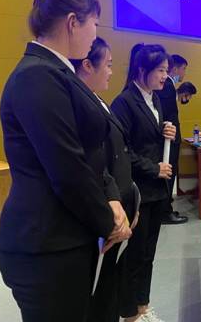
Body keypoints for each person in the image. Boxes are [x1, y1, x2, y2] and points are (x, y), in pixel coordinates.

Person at [0, 0, 131, 322]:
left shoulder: (57, 72)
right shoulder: (37, 76)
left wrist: (112, 197)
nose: (95, 33)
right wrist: (109, 221)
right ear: (73, 22)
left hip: (66, 237)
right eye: (94, 24)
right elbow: (67, 168)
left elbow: (89, 152)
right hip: (46, 244)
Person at [72, 37, 140, 322]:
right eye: (108, 65)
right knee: (99, 294)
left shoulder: (99, 101)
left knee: (111, 284)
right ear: (88, 65)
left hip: (120, 206)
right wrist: (111, 215)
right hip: (105, 215)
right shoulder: (78, 105)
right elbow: (94, 166)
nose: (112, 72)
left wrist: (130, 203)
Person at [111, 44, 176, 322]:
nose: (165, 76)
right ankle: (129, 314)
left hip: (157, 190)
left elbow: (147, 137)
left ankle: (142, 307)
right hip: (138, 191)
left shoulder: (155, 98)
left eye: (166, 70)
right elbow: (122, 152)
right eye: (160, 70)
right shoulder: (124, 102)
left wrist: (164, 131)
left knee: (149, 254)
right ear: (142, 70)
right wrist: (153, 168)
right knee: (134, 255)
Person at [156, 54, 188, 225]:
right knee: (169, 173)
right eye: (183, 69)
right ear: (175, 68)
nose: (184, 73)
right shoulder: (167, 85)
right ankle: (165, 211)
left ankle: (165, 207)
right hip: (170, 137)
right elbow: (169, 115)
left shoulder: (169, 86)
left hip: (169, 136)